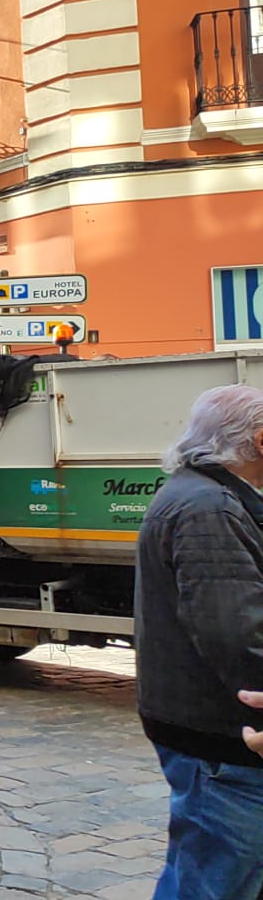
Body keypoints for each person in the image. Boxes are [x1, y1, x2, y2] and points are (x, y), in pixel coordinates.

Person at [135, 384, 263, 900]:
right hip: (223, 734)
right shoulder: (209, 507)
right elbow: (240, 635)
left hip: (211, 729)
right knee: (217, 881)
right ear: (260, 439)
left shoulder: (209, 495)